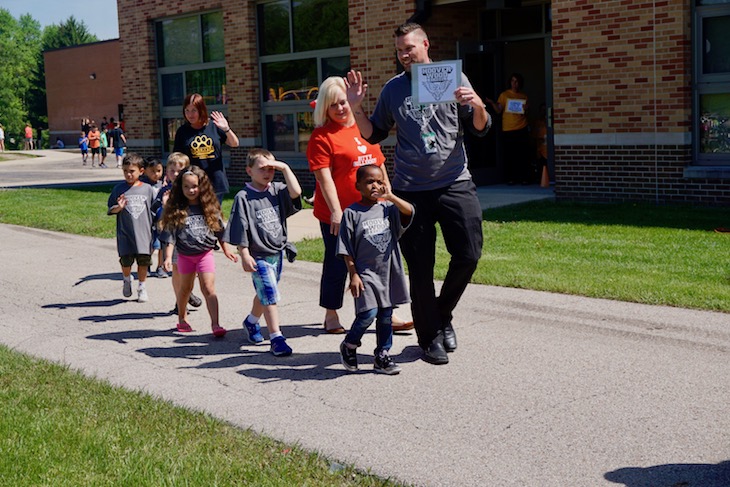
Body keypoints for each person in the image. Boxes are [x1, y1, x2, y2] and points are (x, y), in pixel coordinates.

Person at [345, 22, 491, 365]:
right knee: (421, 268)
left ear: (425, 44)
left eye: (409, 48)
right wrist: (356, 108)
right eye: (399, 51)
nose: (404, 55)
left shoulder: (453, 78)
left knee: (469, 254)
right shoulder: (394, 89)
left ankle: (442, 315)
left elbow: (479, 128)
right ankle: (429, 339)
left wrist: (479, 104)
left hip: (456, 181)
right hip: (411, 191)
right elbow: (374, 134)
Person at [307, 76, 413, 334]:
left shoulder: (364, 130)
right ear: (325, 108)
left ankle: (388, 313)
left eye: (343, 102)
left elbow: (379, 167)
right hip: (341, 214)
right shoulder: (322, 137)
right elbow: (325, 178)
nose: (341, 108)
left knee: (380, 261)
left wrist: (387, 199)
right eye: (334, 105)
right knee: (337, 263)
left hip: (372, 211)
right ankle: (331, 314)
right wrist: (335, 212)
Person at [223, 149, 302, 357]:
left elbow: (296, 193)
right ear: (249, 170)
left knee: (265, 293)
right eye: (262, 169)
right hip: (258, 254)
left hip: (276, 252)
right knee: (269, 294)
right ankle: (276, 338)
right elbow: (241, 226)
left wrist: (284, 168)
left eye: (271, 169)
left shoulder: (276, 190)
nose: (267, 173)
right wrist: (245, 254)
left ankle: (251, 322)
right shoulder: (243, 197)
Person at [337, 165, 413, 375]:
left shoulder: (388, 209)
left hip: (388, 272)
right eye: (370, 182)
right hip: (365, 273)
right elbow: (346, 249)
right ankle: (350, 345)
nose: (376, 185)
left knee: (386, 315)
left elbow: (409, 211)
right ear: (358, 186)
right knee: (368, 313)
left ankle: (382, 355)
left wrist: (391, 196)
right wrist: (353, 274)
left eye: (380, 181)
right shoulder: (351, 213)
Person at [160, 165, 237, 337]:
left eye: (194, 186)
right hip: (185, 256)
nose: (190, 190)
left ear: (202, 187)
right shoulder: (177, 210)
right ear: (180, 188)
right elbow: (171, 236)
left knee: (209, 288)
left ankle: (216, 324)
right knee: (185, 289)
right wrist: (167, 257)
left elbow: (219, 232)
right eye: (186, 186)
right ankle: (182, 318)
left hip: (205, 254)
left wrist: (226, 250)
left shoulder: (209, 208)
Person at [151, 152, 204, 312]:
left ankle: (186, 292)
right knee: (176, 269)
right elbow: (155, 211)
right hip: (172, 237)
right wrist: (166, 205)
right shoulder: (165, 191)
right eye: (171, 170)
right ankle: (180, 301)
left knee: (190, 270)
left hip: (191, 236)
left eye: (179, 170)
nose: (175, 174)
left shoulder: (193, 190)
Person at [107, 153, 156, 303]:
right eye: (125, 171)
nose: (128, 174)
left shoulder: (148, 189)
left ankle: (142, 287)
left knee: (143, 262)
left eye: (131, 171)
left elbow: (155, 210)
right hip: (125, 234)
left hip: (144, 234)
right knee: (126, 261)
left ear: (141, 171)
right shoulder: (118, 189)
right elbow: (110, 209)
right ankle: (127, 279)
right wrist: (118, 208)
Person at [173, 93, 239, 203]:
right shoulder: (182, 131)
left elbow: (234, 143)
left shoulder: (214, 126)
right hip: (193, 183)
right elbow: (177, 158)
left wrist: (226, 129)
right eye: (187, 110)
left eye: (194, 110)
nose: (190, 114)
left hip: (215, 181)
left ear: (201, 109)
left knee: (213, 217)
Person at [485, 73, 530, 185]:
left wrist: (527, 108)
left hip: (522, 127)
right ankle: (511, 178)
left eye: (517, 81)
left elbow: (527, 112)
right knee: (511, 155)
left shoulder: (523, 96)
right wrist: (491, 103)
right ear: (510, 82)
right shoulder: (504, 95)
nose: (515, 84)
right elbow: (498, 110)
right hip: (508, 128)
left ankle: (523, 178)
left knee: (522, 154)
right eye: (513, 81)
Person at [141, 157, 165, 277]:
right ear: (145, 171)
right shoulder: (143, 186)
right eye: (153, 171)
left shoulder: (164, 185)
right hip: (148, 220)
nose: (156, 174)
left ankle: (160, 267)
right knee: (150, 245)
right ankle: (146, 265)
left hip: (162, 220)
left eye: (159, 171)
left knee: (161, 245)